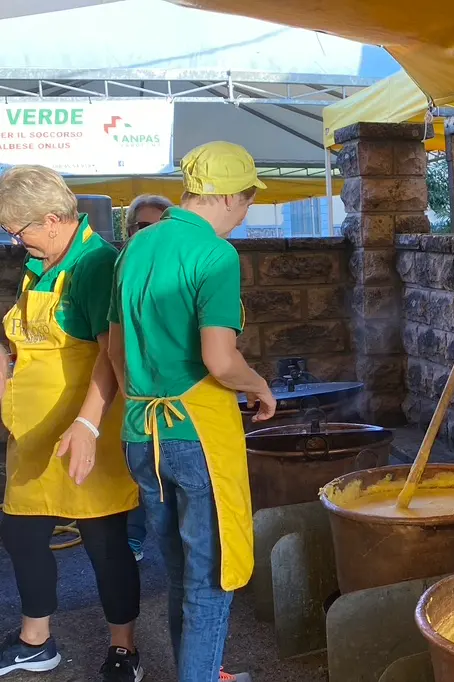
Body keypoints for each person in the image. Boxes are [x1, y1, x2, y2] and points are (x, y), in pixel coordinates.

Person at [107, 141, 276, 682]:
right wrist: (259, 386)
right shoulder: (216, 255)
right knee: (213, 578)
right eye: (247, 201)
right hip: (196, 435)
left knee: (180, 572)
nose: (246, 214)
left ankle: (203, 671)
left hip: (140, 434)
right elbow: (219, 360)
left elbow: (114, 351)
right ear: (227, 194)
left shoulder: (137, 245)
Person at [0, 165, 143, 681]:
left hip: (88, 429)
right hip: (36, 435)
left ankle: (123, 648)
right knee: (19, 532)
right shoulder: (42, 263)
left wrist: (86, 425)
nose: (18, 243)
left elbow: (111, 355)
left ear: (55, 219)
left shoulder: (95, 264)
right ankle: (36, 641)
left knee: (105, 541)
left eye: (21, 231)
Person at [121, 194, 172, 561]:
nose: (153, 231)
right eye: (144, 225)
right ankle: (132, 537)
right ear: (130, 231)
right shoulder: (122, 269)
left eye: (160, 224)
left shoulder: (179, 270)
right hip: (133, 399)